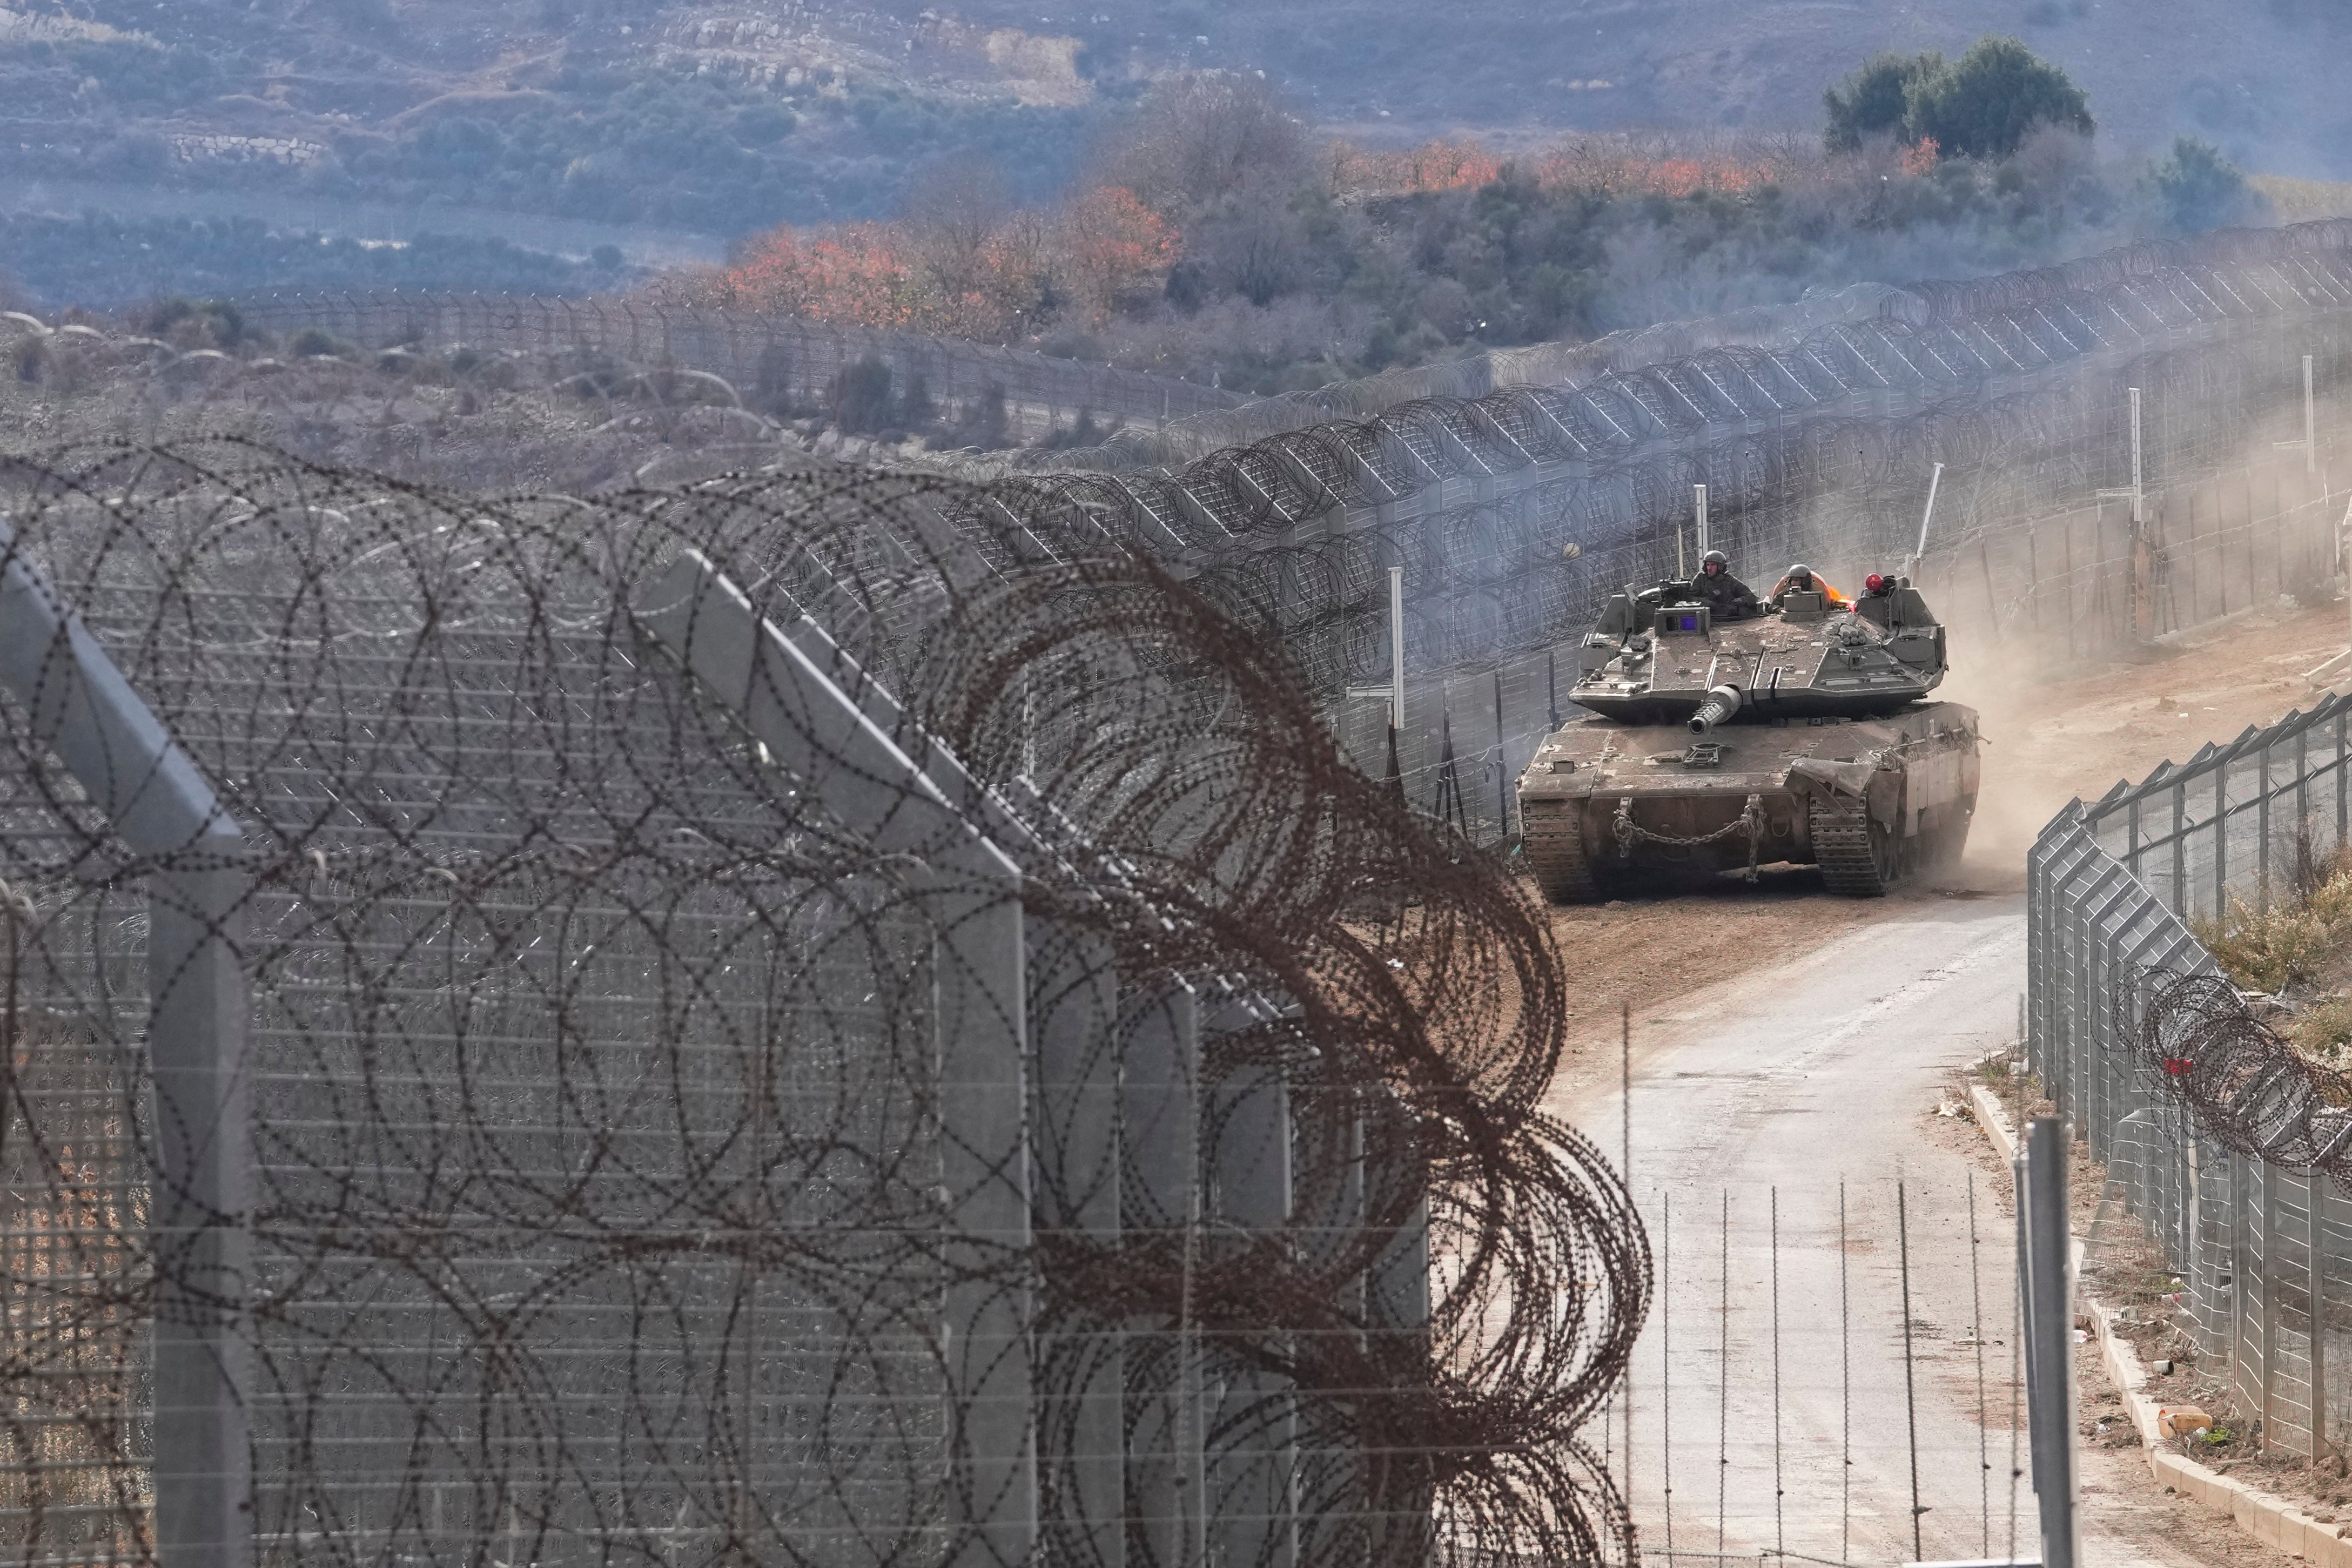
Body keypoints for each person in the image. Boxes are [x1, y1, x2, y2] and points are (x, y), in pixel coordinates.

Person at [1691, 549, 1760, 619]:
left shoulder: (1730, 581)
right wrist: (1705, 603)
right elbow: (1689, 597)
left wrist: (1738, 602)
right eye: (1707, 565)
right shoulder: (1701, 578)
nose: (1709, 568)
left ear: (1721, 567)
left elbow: (1752, 597)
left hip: (1727, 619)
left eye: (1713, 565)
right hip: (1705, 619)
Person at [1767, 562, 1850, 610]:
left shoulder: (1817, 595)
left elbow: (1827, 608)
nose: (1793, 583)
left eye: (1796, 580)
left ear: (1805, 581)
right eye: (1792, 580)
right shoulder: (1784, 594)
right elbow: (1772, 606)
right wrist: (1779, 610)